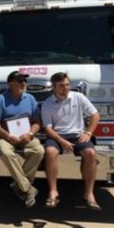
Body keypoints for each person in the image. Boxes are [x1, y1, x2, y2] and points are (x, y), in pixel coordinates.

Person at [40, 72, 101, 210]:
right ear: (54, 87)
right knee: (50, 152)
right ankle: (53, 191)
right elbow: (48, 129)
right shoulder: (47, 104)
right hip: (57, 135)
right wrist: (61, 141)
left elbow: (95, 115)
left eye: (67, 85)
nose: (66, 88)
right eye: (61, 86)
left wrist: (88, 132)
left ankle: (89, 193)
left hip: (78, 134)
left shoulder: (78, 97)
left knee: (90, 153)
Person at [0, 71, 45, 208]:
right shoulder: (0, 99)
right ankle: (28, 189)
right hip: (5, 136)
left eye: (24, 81)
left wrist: (30, 134)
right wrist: (7, 136)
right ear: (10, 84)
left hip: (26, 136)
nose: (23, 83)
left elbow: (37, 121)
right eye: (19, 81)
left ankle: (20, 185)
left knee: (39, 150)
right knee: (6, 151)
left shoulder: (30, 99)